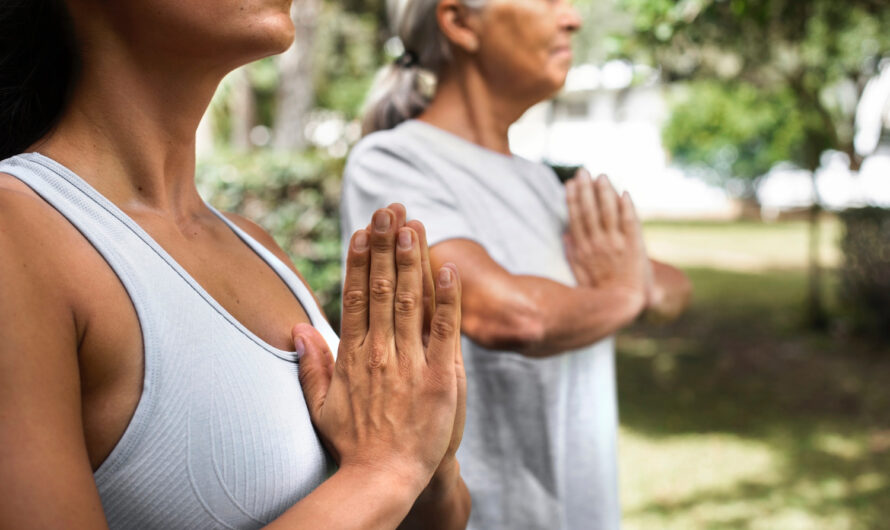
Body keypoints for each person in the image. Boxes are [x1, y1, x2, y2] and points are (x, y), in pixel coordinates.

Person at [0, 0, 471, 528]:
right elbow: (382, 480)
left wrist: (431, 460)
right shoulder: (15, 233)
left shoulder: (256, 245)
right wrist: (388, 469)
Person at [340, 0, 693, 527]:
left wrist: (626, 289)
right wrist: (622, 295)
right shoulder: (395, 162)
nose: (571, 17)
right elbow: (509, 316)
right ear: (459, 22)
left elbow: (673, 286)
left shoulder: (539, 183)